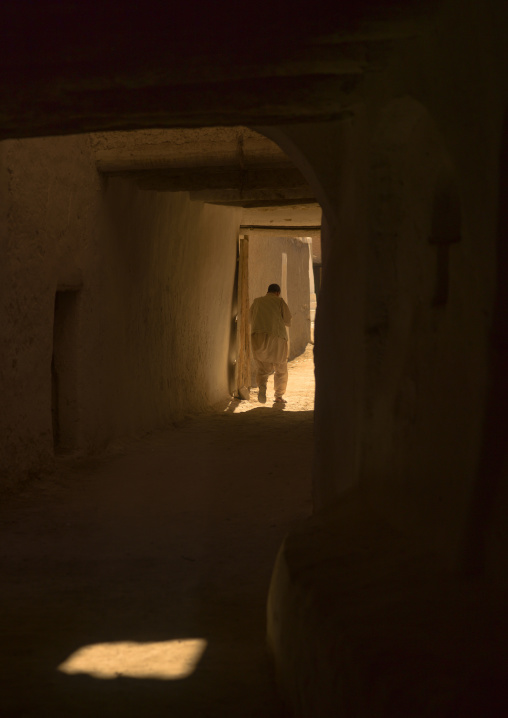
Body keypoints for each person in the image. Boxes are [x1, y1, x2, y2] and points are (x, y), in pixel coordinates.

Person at [249, 283, 292, 404]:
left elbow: (249, 318)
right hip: (277, 337)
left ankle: (262, 387)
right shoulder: (279, 301)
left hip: (258, 337)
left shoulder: (257, 302)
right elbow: (288, 320)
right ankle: (278, 395)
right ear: (277, 293)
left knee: (262, 368)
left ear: (267, 291)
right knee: (281, 368)